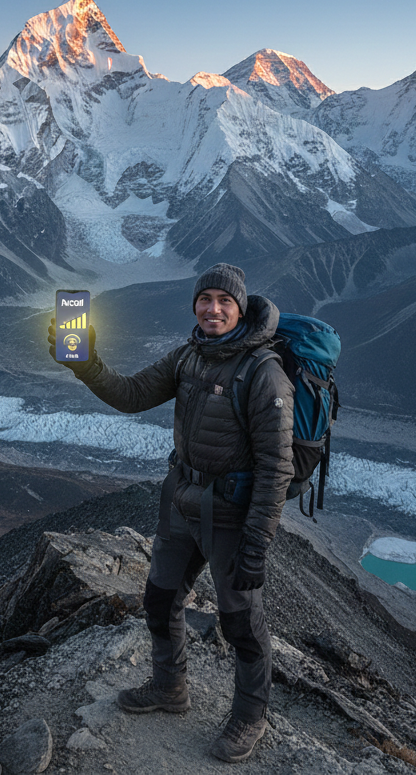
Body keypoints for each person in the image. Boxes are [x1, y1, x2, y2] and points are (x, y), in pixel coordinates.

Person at [48, 264, 294, 764]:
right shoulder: (189, 356)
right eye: (205, 299)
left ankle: (250, 716)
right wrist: (85, 362)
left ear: (240, 309)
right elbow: (134, 395)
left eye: (224, 301)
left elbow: (277, 467)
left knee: (240, 622)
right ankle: (169, 687)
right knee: (160, 600)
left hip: (230, 516)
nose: (213, 308)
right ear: (195, 306)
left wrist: (256, 543)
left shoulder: (262, 372)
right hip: (181, 501)